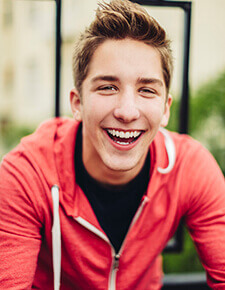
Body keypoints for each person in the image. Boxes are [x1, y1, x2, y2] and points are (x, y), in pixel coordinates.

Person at [0, 0, 224, 289]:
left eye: (146, 90)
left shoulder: (191, 168)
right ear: (77, 103)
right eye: (107, 87)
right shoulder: (25, 175)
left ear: (166, 109)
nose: (127, 111)